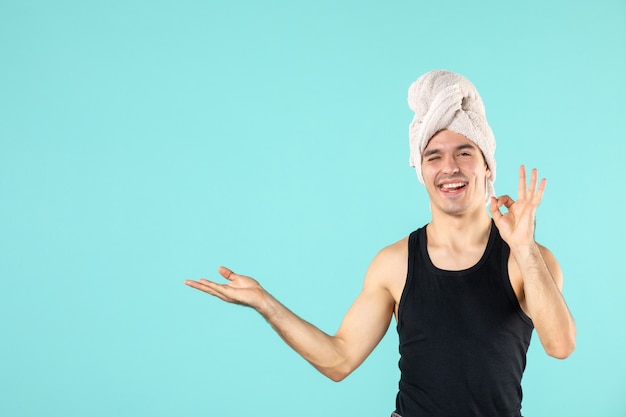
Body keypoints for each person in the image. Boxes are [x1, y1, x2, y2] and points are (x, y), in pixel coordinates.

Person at [185, 70, 576, 417]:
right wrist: (264, 303)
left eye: (464, 153)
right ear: (420, 171)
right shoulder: (395, 264)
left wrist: (524, 248)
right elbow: (340, 359)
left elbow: (560, 346)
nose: (449, 168)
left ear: (487, 164)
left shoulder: (529, 261)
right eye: (433, 156)